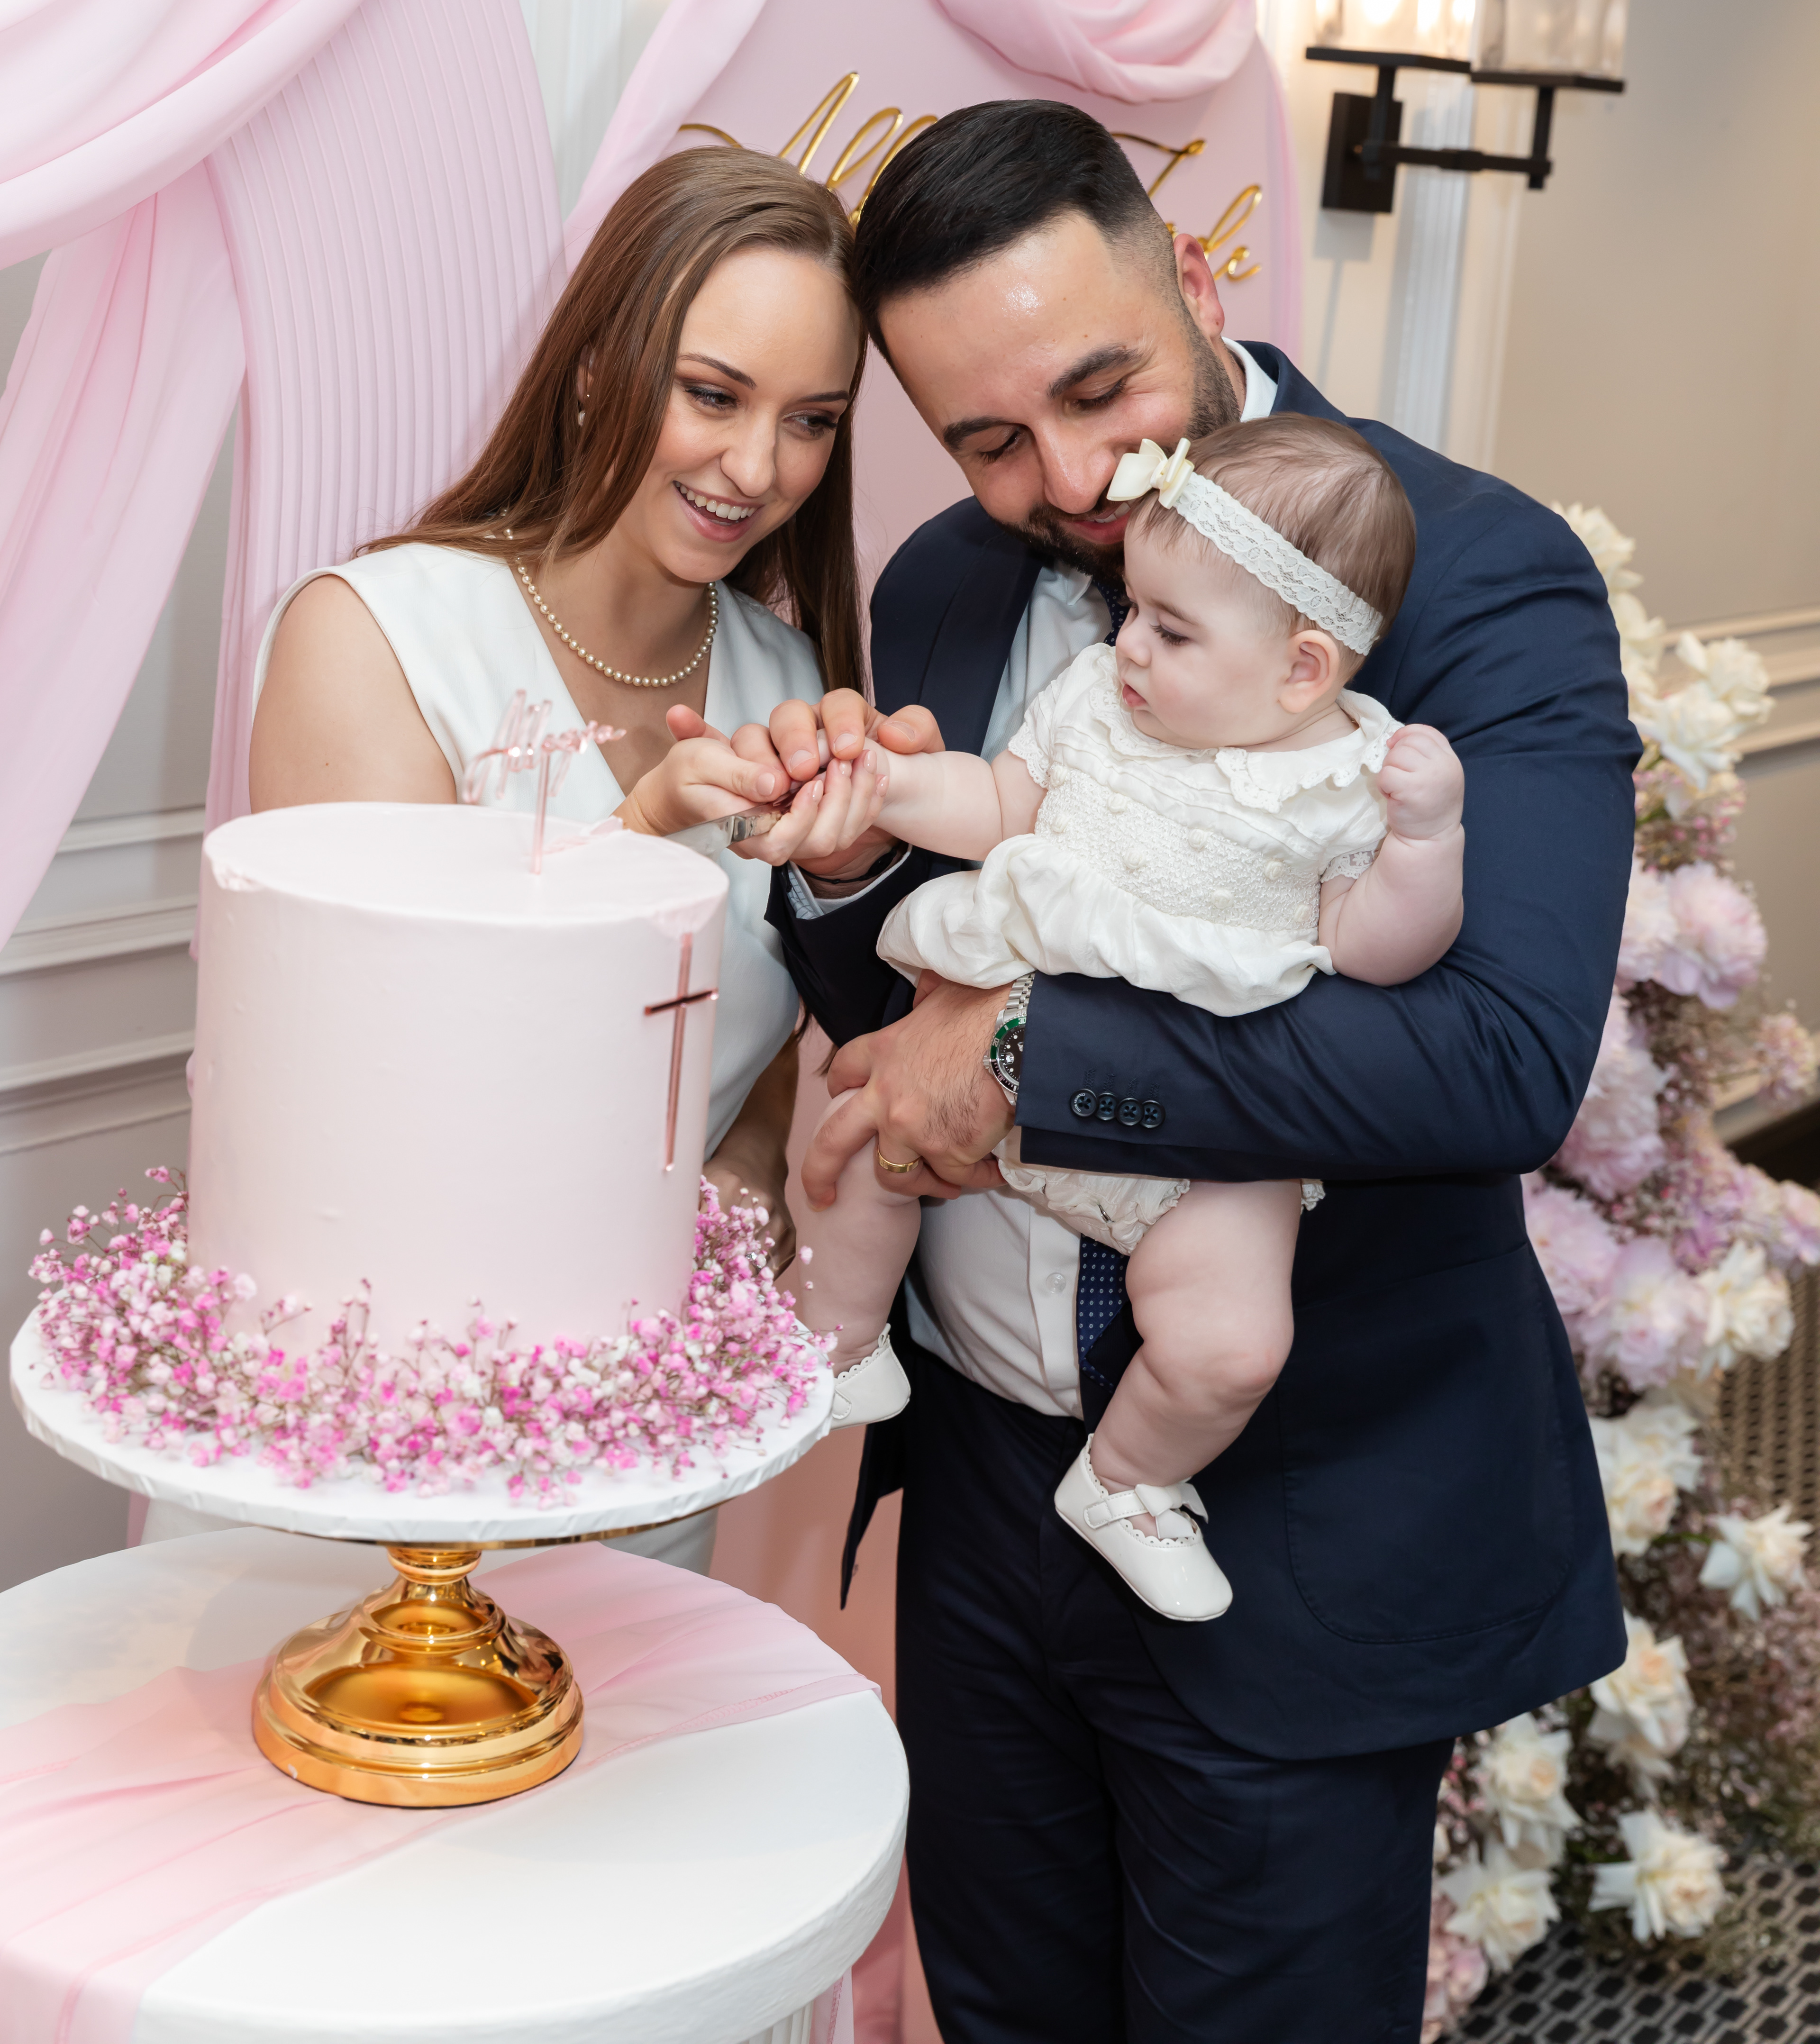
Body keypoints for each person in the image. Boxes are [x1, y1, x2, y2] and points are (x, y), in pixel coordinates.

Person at [744, 100, 1633, 2042]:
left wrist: (1031, 1055)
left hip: (1288, 1517)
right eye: (989, 439)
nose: (1066, 479)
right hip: (979, 1490)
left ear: (1203, 282)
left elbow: (1495, 1059)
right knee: (1001, 2011)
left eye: (1100, 390)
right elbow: (902, 959)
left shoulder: (1470, 569)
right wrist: (839, 862)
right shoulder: (948, 580)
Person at [249, 145, 873, 1569]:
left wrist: (748, 1176)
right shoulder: (379, 636)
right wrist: (639, 835)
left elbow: (757, 1031)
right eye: (711, 394)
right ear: (598, 370)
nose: (758, 469)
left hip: (645, 1439)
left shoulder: (788, 679)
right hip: (381, 1423)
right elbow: (380, 1069)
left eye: (811, 421)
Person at [771, 413, 1466, 1627]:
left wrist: (1426, 840)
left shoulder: (1347, 781)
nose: (1129, 642)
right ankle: (840, 1342)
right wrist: (889, 785)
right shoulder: (1097, 697)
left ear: (1303, 669)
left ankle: (1130, 1481)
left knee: (1233, 1344)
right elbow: (999, 801)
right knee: (865, 1140)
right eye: (1133, 610)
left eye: (1171, 629)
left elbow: (1373, 949)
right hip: (1004, 1015)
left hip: (1206, 1133)